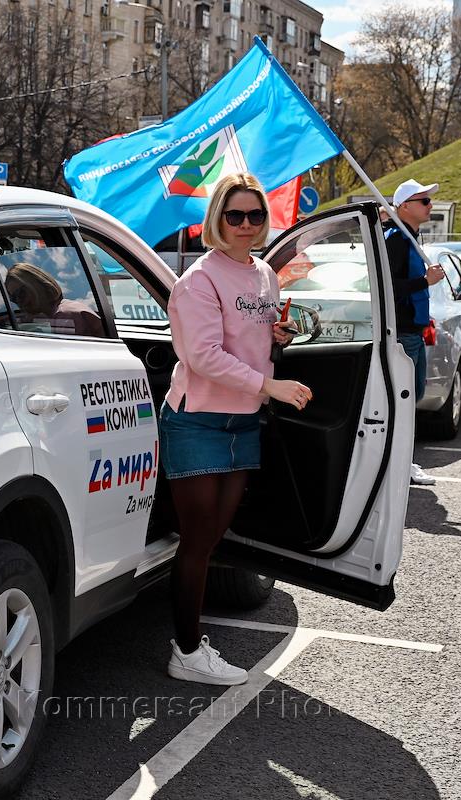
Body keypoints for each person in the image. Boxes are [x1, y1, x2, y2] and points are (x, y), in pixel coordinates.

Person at [160, 173, 312, 686]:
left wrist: (276, 336)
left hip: (243, 420)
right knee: (197, 540)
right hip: (197, 420)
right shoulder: (199, 281)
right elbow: (202, 356)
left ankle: (189, 642)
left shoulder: (265, 274)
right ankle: (186, 650)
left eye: (255, 215)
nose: (246, 224)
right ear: (217, 219)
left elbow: (248, 339)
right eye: (235, 215)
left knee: (213, 538)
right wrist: (270, 386)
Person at [385, 179, 445, 487]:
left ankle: (401, 460)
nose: (430, 205)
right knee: (405, 400)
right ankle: (400, 463)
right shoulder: (396, 239)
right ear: (405, 207)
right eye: (424, 201)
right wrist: (425, 281)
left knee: (413, 396)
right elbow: (389, 286)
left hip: (412, 331)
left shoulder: (407, 236)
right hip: (403, 333)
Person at [3, 261, 105, 337]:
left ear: (37, 285)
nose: (19, 301)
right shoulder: (59, 312)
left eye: (21, 293)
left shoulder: (65, 316)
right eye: (13, 298)